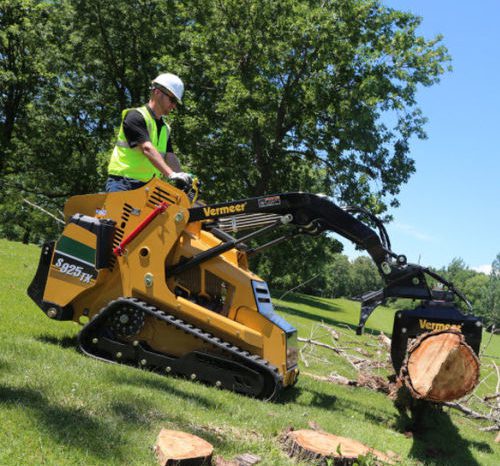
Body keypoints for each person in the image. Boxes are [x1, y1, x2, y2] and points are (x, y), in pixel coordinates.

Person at [105, 73, 192, 192]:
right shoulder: (135, 116)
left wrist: (182, 177)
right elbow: (147, 148)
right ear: (157, 92)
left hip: (148, 187)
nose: (174, 106)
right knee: (120, 212)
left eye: (176, 102)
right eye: (172, 99)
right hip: (124, 183)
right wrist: (171, 174)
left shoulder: (165, 128)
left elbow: (169, 155)